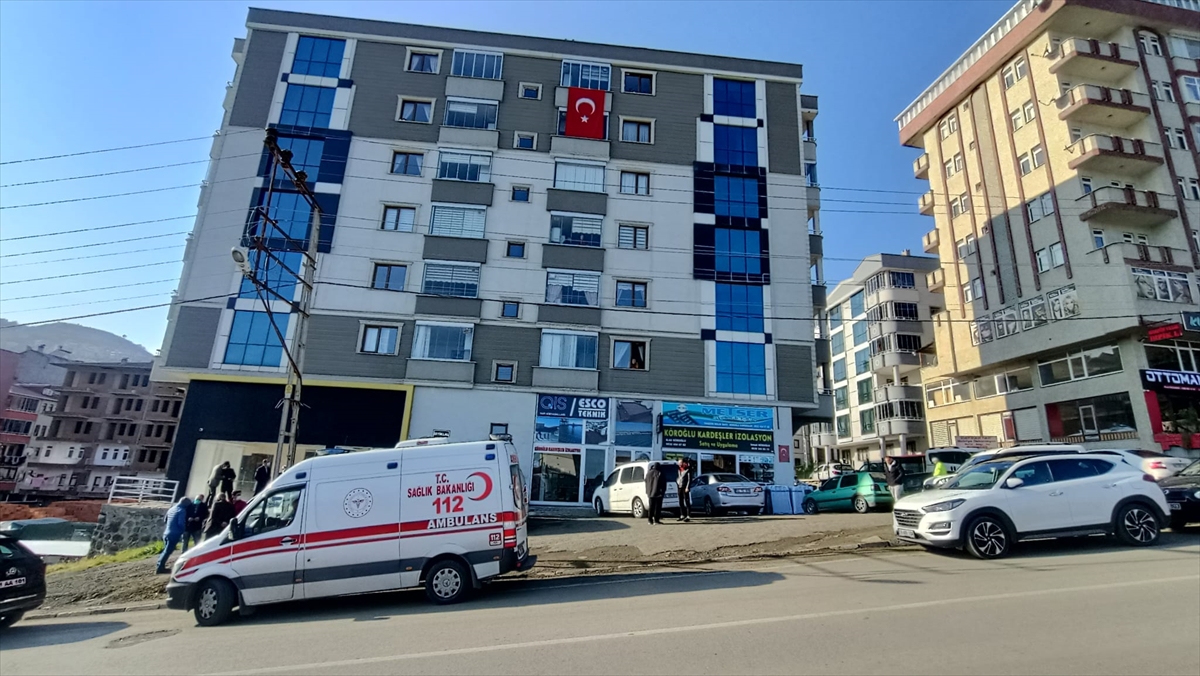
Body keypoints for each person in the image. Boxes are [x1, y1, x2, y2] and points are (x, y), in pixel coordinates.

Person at [157, 496, 191, 574]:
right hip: (174, 534)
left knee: (165, 551)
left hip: (166, 532)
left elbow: (165, 520)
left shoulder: (172, 509)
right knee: (167, 551)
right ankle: (160, 568)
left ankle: (160, 565)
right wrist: (183, 530)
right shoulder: (181, 510)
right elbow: (181, 523)